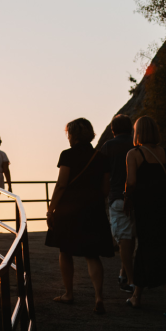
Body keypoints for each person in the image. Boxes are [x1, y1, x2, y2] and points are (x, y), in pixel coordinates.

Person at [45, 118, 114, 314]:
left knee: (65, 250)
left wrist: (51, 209)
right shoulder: (101, 158)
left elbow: (61, 184)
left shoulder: (67, 155)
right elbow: (105, 189)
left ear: (72, 135)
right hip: (93, 209)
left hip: (69, 210)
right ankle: (99, 297)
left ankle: (68, 293)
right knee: (92, 254)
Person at [124, 116, 166, 317]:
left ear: (138, 133)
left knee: (149, 250)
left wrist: (127, 200)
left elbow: (132, 182)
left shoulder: (134, 154)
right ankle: (136, 296)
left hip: (146, 208)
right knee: (159, 250)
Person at [100, 114, 136, 293]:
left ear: (113, 129)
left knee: (123, 239)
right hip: (138, 197)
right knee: (132, 237)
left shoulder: (108, 147)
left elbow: (102, 173)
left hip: (118, 197)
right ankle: (123, 273)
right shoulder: (137, 144)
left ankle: (131, 280)